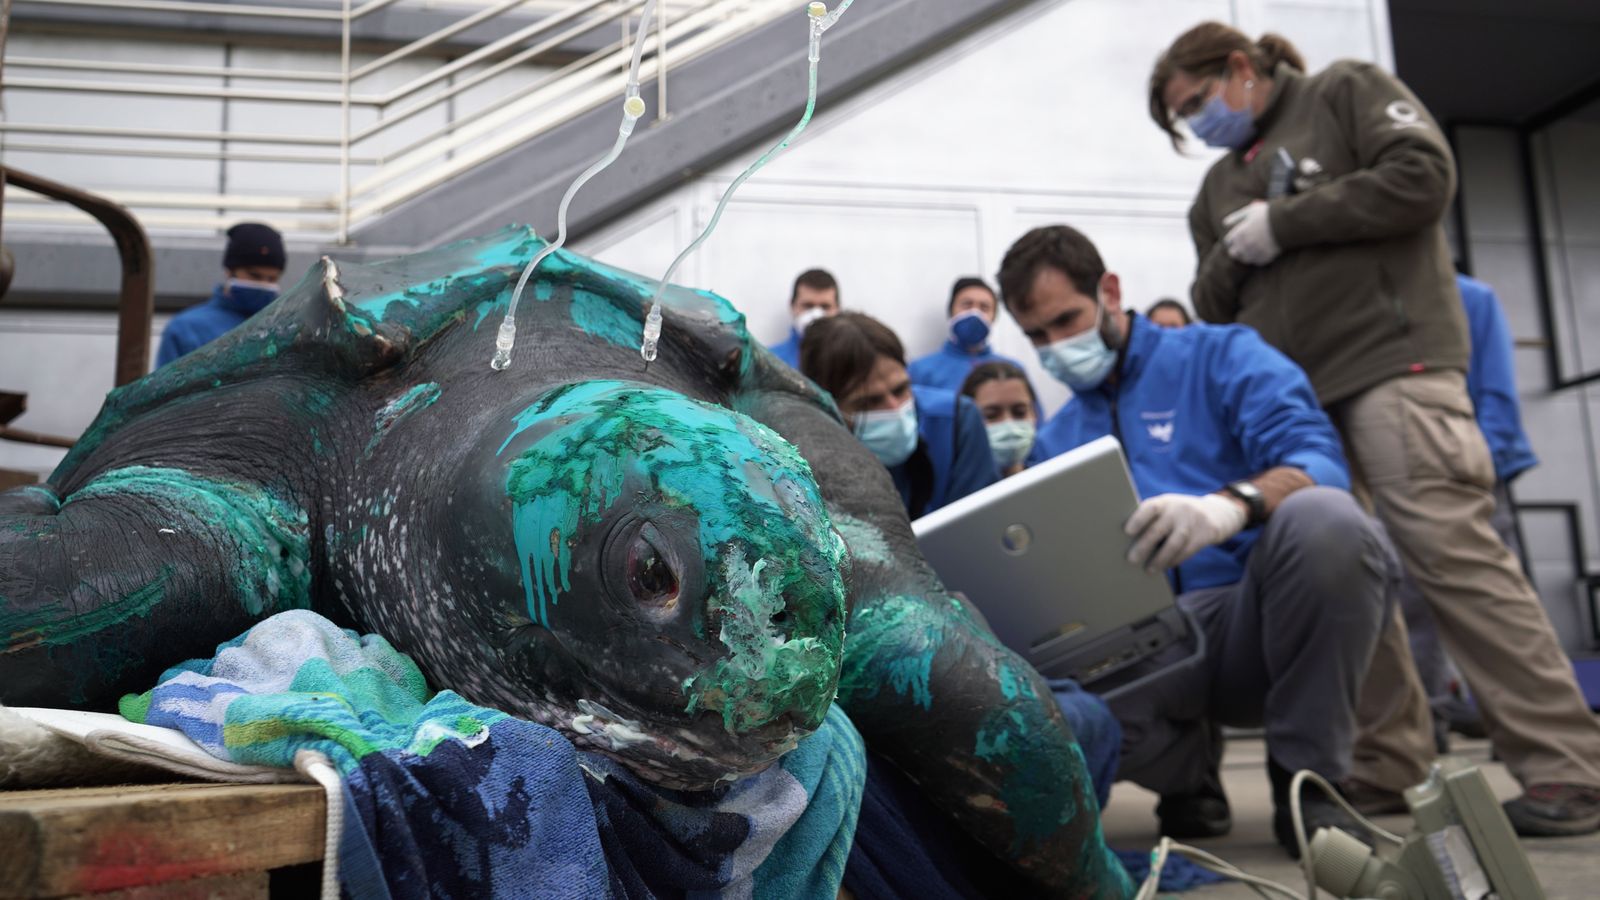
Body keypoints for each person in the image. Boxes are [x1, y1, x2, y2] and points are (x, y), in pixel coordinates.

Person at [1150, 21, 1600, 836]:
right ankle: (1387, 767)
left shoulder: (1345, 92)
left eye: (1196, 100)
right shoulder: (1214, 189)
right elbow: (1215, 306)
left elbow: (1424, 175)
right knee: (1360, 590)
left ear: (1241, 68)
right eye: (1182, 117)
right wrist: (1238, 245)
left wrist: (1286, 222)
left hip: (1396, 372)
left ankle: (1569, 767)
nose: (1197, 122)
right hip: (1301, 411)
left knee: (1455, 563)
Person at [998, 223, 1392, 857]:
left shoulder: (1222, 357)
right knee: (1043, 713)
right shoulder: (1056, 438)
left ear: (1110, 290)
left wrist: (1228, 508)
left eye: (1066, 319)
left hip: (1249, 621)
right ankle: (1187, 774)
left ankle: (1308, 777)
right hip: (1143, 646)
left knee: (1329, 524)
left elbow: (1319, 462)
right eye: (1037, 336)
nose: (1056, 346)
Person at [1399, 271, 1541, 758]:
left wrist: (1488, 467)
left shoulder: (1469, 297)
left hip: (1474, 470)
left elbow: (1497, 387)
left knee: (1493, 600)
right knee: (1411, 604)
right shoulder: (1368, 302)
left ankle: (1524, 727)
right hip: (1404, 474)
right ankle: (1428, 723)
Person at [800, 312, 996, 517]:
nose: (894, 408)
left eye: (900, 389)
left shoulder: (957, 420)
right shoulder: (807, 459)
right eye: (870, 402)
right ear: (828, 407)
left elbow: (978, 527)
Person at [157, 222, 286, 367]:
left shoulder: (285, 329)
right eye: (254, 276)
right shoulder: (186, 329)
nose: (264, 284)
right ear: (229, 271)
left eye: (272, 279)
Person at [908, 277, 1029, 392]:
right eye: (967, 305)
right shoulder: (920, 370)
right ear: (951, 311)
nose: (974, 313)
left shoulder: (1012, 370)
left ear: (994, 317)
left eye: (984, 308)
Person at [959, 361, 1038, 478]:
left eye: (1020, 412)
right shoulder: (957, 493)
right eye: (991, 415)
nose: (1009, 424)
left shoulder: (1052, 484)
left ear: (1035, 414)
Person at [768, 269, 840, 369]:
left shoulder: (853, 362)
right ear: (792, 306)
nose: (816, 315)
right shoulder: (770, 361)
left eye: (825, 307)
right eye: (808, 306)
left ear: (838, 309)